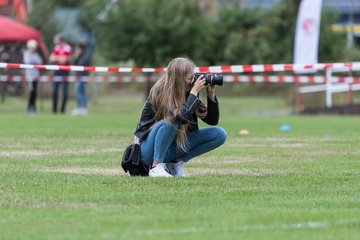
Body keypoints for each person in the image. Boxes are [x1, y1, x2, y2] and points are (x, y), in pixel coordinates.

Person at [133, 57, 227, 177]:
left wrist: (210, 95)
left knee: (219, 134)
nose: (193, 81)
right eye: (190, 78)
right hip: (147, 151)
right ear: (178, 79)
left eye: (194, 76)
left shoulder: (188, 92)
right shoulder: (160, 92)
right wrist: (193, 93)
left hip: (170, 148)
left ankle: (174, 164)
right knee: (171, 120)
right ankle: (156, 167)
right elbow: (179, 118)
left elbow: (212, 121)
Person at [49, 33, 72, 114]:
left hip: (64, 71)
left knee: (64, 92)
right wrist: (59, 58)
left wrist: (56, 58)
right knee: (55, 91)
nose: (54, 41)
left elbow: (64, 60)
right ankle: (54, 111)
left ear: (60, 40)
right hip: (57, 71)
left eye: (55, 39)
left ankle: (62, 110)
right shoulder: (56, 47)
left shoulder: (67, 48)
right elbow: (51, 58)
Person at [71, 38, 93, 116]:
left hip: (82, 77)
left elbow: (81, 67)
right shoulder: (80, 56)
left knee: (79, 92)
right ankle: (81, 108)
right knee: (81, 92)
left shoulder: (85, 57)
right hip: (79, 77)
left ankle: (82, 108)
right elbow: (74, 64)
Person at [23, 39, 42, 114]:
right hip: (29, 75)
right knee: (32, 91)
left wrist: (34, 62)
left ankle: (33, 107)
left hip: (35, 75)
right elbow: (28, 62)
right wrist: (35, 62)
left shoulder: (36, 54)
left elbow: (39, 62)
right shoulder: (26, 53)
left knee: (34, 92)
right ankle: (29, 108)